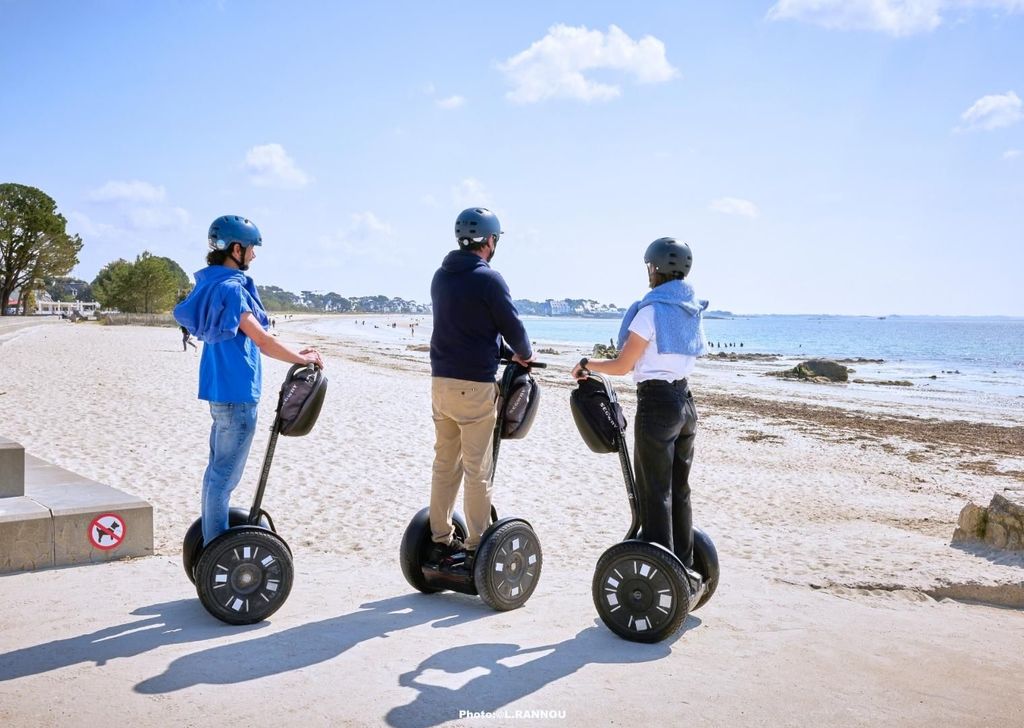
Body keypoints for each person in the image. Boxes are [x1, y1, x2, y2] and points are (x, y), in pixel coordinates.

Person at [174, 215, 325, 546]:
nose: (254, 255)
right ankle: (216, 548)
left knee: (215, 474)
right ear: (236, 249)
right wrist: (303, 359)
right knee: (224, 479)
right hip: (238, 396)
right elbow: (262, 341)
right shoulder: (232, 290)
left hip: (219, 393)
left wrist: (295, 351)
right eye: (252, 248)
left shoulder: (211, 285)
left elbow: (255, 337)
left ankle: (212, 542)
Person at [572, 237, 708, 568]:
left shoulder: (650, 312)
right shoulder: (691, 309)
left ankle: (662, 569)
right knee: (679, 490)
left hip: (657, 404)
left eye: (649, 266)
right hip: (686, 404)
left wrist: (587, 365)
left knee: (654, 491)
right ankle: (684, 564)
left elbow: (623, 366)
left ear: (655, 268)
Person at [428, 207, 534, 565]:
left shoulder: (441, 276)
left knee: (445, 465)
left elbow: (466, 329)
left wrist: (502, 351)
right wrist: (524, 354)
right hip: (474, 387)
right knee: (477, 470)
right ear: (490, 240)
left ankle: (439, 538)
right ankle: (476, 545)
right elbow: (513, 328)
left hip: (441, 383)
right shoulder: (489, 280)